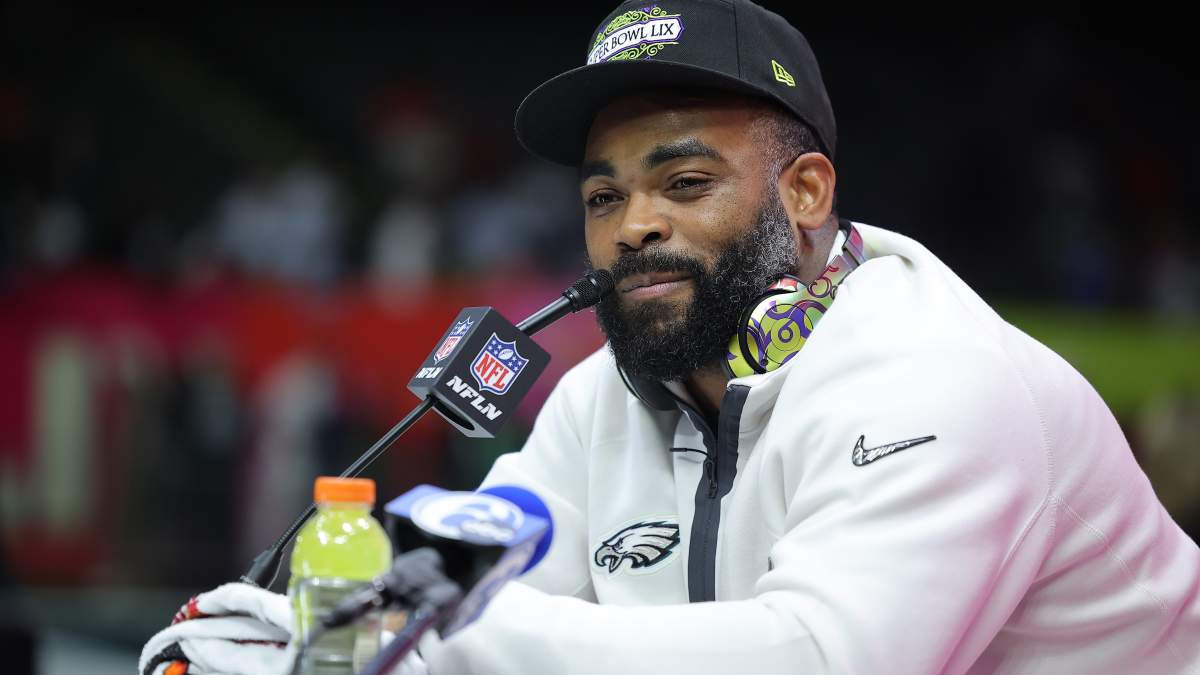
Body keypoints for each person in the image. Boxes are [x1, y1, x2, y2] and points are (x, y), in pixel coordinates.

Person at [141, 1, 1200, 673]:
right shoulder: (604, 395)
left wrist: (429, 631)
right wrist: (306, 630)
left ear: (806, 192)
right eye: (604, 197)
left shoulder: (942, 378)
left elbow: (820, 659)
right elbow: (485, 557)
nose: (632, 226)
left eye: (684, 183)